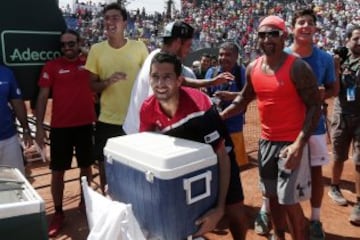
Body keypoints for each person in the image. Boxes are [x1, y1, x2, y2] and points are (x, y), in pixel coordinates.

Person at [221, 15, 321, 240]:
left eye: (273, 34)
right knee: (273, 197)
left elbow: (315, 106)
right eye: (262, 34)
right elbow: (245, 98)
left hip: (291, 144)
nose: (267, 39)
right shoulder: (253, 68)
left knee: (289, 201)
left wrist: (299, 144)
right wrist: (224, 114)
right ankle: (279, 235)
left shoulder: (297, 67)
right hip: (266, 143)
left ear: (284, 36)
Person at [139, 52, 247, 239]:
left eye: (167, 77)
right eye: (155, 77)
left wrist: (220, 207)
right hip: (186, 167)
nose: (160, 83)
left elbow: (221, 156)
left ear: (179, 80)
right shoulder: (147, 109)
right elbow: (145, 149)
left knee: (235, 212)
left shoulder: (201, 106)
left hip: (219, 159)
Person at [254, 8, 337, 239]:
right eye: (301, 22)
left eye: (310, 22)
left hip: (314, 126)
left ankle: (316, 220)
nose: (306, 26)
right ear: (291, 28)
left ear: (315, 28)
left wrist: (321, 94)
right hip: (284, 132)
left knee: (315, 172)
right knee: (275, 181)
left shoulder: (326, 58)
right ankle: (265, 211)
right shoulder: (279, 53)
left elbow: (334, 89)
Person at [35, 29, 96, 237]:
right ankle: (59, 213)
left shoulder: (89, 62)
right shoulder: (52, 66)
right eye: (63, 45)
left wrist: (85, 50)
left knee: (86, 167)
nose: (67, 48)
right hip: (60, 127)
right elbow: (42, 97)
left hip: (86, 125)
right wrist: (40, 127)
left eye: (71, 43)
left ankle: (84, 203)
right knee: (57, 172)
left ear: (79, 43)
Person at [123, 21, 234, 134]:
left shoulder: (158, 56)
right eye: (188, 45)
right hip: (141, 136)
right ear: (177, 42)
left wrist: (211, 82)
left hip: (137, 131)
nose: (189, 50)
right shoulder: (159, 65)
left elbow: (182, 81)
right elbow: (159, 108)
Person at [85, 3, 148, 193]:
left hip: (135, 120)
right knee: (106, 166)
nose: (110, 22)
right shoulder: (96, 50)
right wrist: (108, 82)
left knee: (138, 166)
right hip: (107, 121)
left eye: (115, 18)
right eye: (107, 18)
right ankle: (108, 200)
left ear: (125, 23)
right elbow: (91, 85)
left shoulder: (139, 47)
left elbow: (149, 79)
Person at [328, 25, 360, 226]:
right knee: (339, 156)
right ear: (349, 39)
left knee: (359, 160)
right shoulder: (338, 57)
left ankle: (359, 203)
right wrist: (336, 66)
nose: (359, 42)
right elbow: (332, 87)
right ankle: (334, 186)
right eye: (356, 38)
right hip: (341, 113)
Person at [206, 42, 248, 167]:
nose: (223, 58)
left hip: (234, 126)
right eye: (221, 54)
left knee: (236, 165)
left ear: (236, 57)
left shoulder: (242, 73)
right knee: (216, 164)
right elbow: (206, 95)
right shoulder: (211, 72)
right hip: (214, 126)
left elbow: (249, 95)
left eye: (228, 55)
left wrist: (231, 95)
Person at [0, 65, 32, 174]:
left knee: (16, 183)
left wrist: (26, 129)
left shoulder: (6, 73)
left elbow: (17, 102)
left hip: (9, 139)